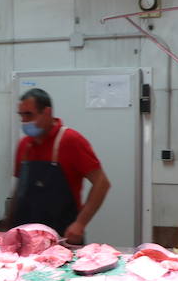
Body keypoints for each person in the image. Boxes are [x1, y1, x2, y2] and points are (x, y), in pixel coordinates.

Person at [8, 88, 110, 244]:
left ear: (47, 112)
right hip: (25, 237)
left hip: (62, 236)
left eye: (29, 115)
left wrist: (80, 223)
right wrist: (9, 220)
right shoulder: (24, 145)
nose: (24, 121)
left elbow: (102, 183)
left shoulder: (70, 140)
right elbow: (18, 190)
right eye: (21, 116)